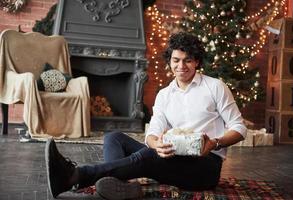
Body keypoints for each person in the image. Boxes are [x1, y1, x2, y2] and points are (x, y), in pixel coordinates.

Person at [45, 32, 247, 200]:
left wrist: (214, 143)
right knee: (114, 138)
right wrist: (155, 143)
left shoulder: (215, 87)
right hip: (174, 157)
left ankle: (75, 175)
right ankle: (121, 188)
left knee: (147, 156)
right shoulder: (165, 95)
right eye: (176, 60)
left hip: (205, 168)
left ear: (197, 62)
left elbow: (239, 127)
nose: (181, 66)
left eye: (188, 61)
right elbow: (153, 133)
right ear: (169, 61)